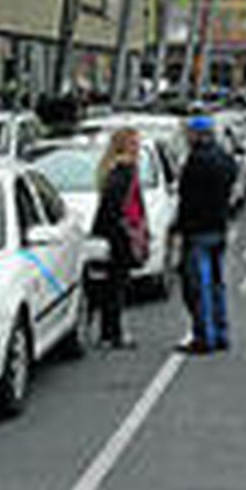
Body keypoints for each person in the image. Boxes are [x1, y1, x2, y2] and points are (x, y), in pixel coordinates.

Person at [175, 116, 238, 355]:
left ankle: (204, 337)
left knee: (198, 286)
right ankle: (221, 333)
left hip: (198, 230)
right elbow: (232, 178)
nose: (187, 138)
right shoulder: (223, 158)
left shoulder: (196, 161)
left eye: (189, 133)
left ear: (197, 135)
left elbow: (186, 197)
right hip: (219, 226)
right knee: (217, 283)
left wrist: (180, 228)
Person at [91, 128, 143, 349]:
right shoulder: (125, 170)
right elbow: (118, 205)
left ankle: (107, 333)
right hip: (120, 234)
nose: (138, 147)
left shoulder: (110, 169)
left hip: (111, 233)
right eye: (135, 143)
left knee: (111, 285)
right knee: (117, 286)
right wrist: (131, 228)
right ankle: (114, 334)